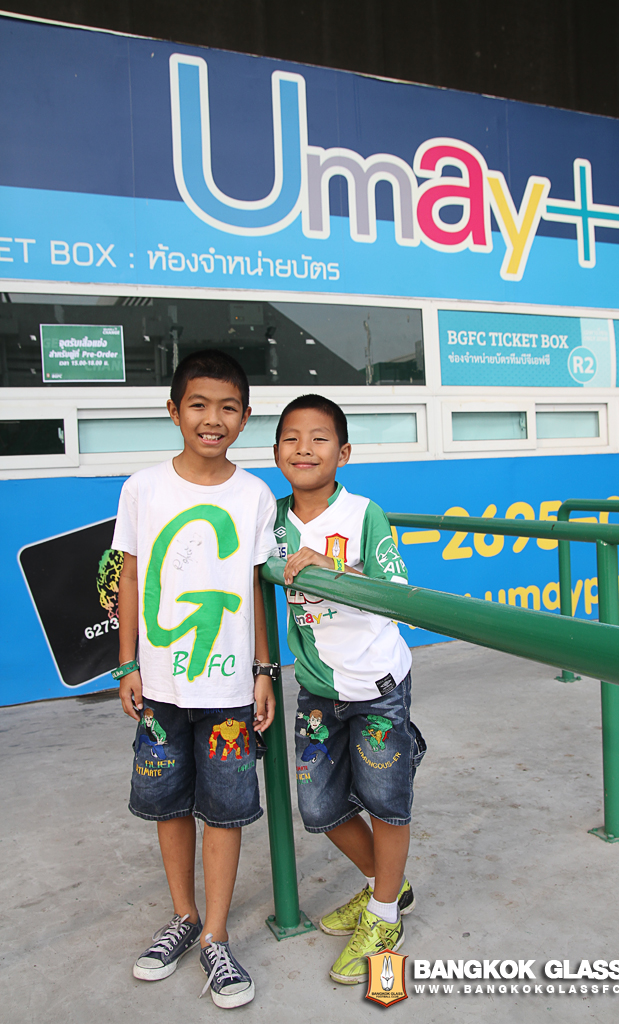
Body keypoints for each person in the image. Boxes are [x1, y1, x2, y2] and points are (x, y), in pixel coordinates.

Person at [113, 349, 278, 1009]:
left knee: (225, 812)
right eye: (199, 405)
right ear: (174, 410)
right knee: (169, 805)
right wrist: (127, 662)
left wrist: (264, 671)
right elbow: (129, 576)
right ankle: (183, 916)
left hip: (230, 692)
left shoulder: (254, 495)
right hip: (159, 688)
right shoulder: (142, 488)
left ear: (244, 417)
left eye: (228, 408)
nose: (213, 419)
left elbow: (257, 589)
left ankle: (215, 934)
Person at [273, 394, 426, 985]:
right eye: (291, 438)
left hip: (376, 684)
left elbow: (397, 592)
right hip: (317, 687)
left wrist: (330, 570)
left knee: (386, 801)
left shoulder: (364, 513)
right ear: (276, 451)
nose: (304, 448)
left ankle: (384, 914)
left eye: (319, 438)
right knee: (319, 806)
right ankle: (387, 885)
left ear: (343, 453)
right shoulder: (272, 520)